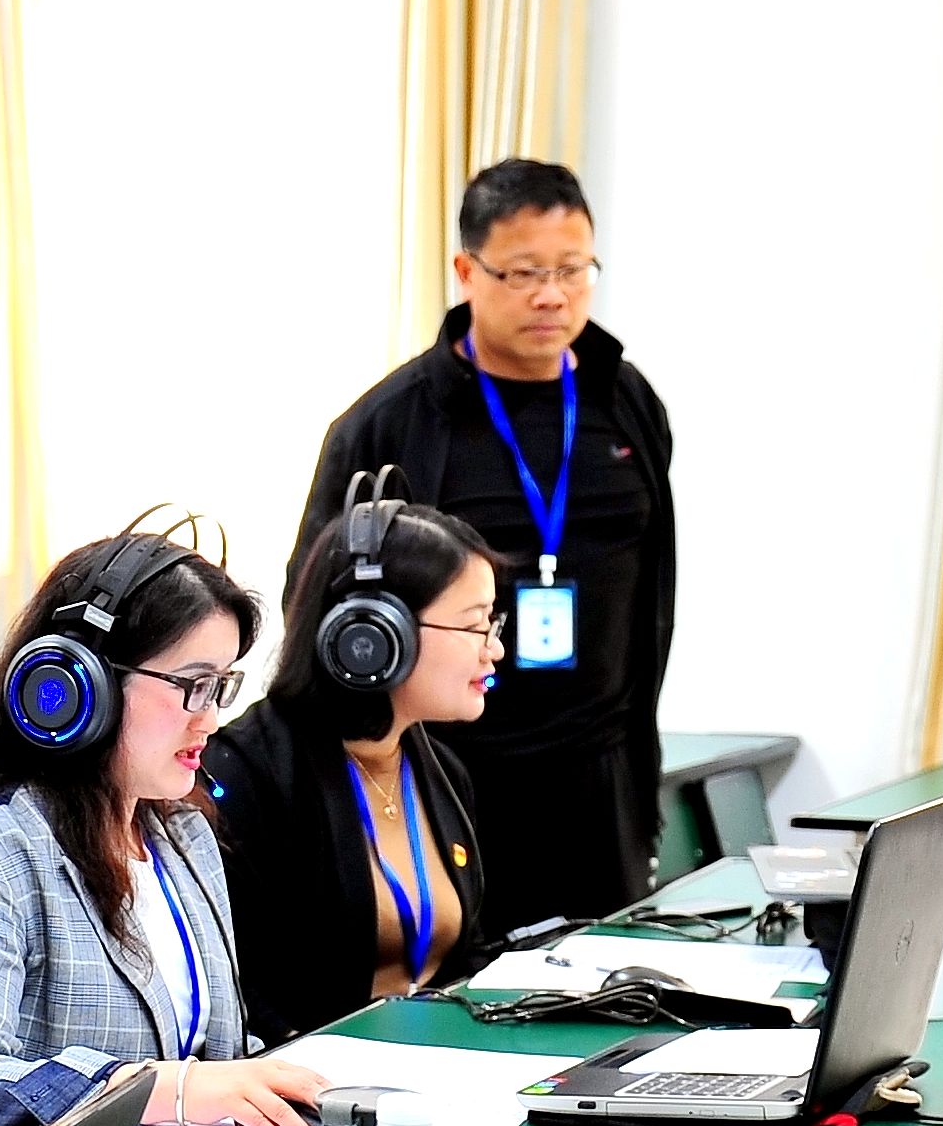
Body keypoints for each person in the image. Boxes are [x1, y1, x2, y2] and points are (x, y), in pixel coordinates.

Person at [0, 528, 329, 1126]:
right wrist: (166, 1091)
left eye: (221, 687)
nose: (209, 720)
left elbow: (214, 1052)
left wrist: (270, 1099)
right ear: (79, 686)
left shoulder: (183, 835)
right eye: (192, 686)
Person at [288, 157, 678, 928]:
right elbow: (317, 614)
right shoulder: (389, 424)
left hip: (602, 786)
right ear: (467, 271)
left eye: (572, 269)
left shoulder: (626, 400)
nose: (551, 294)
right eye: (524, 271)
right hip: (448, 779)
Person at [205, 498, 506, 1042]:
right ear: (374, 634)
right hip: (316, 1078)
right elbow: (242, 995)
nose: (496, 649)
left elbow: (465, 958)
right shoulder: (246, 775)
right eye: (475, 626)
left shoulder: (441, 772)